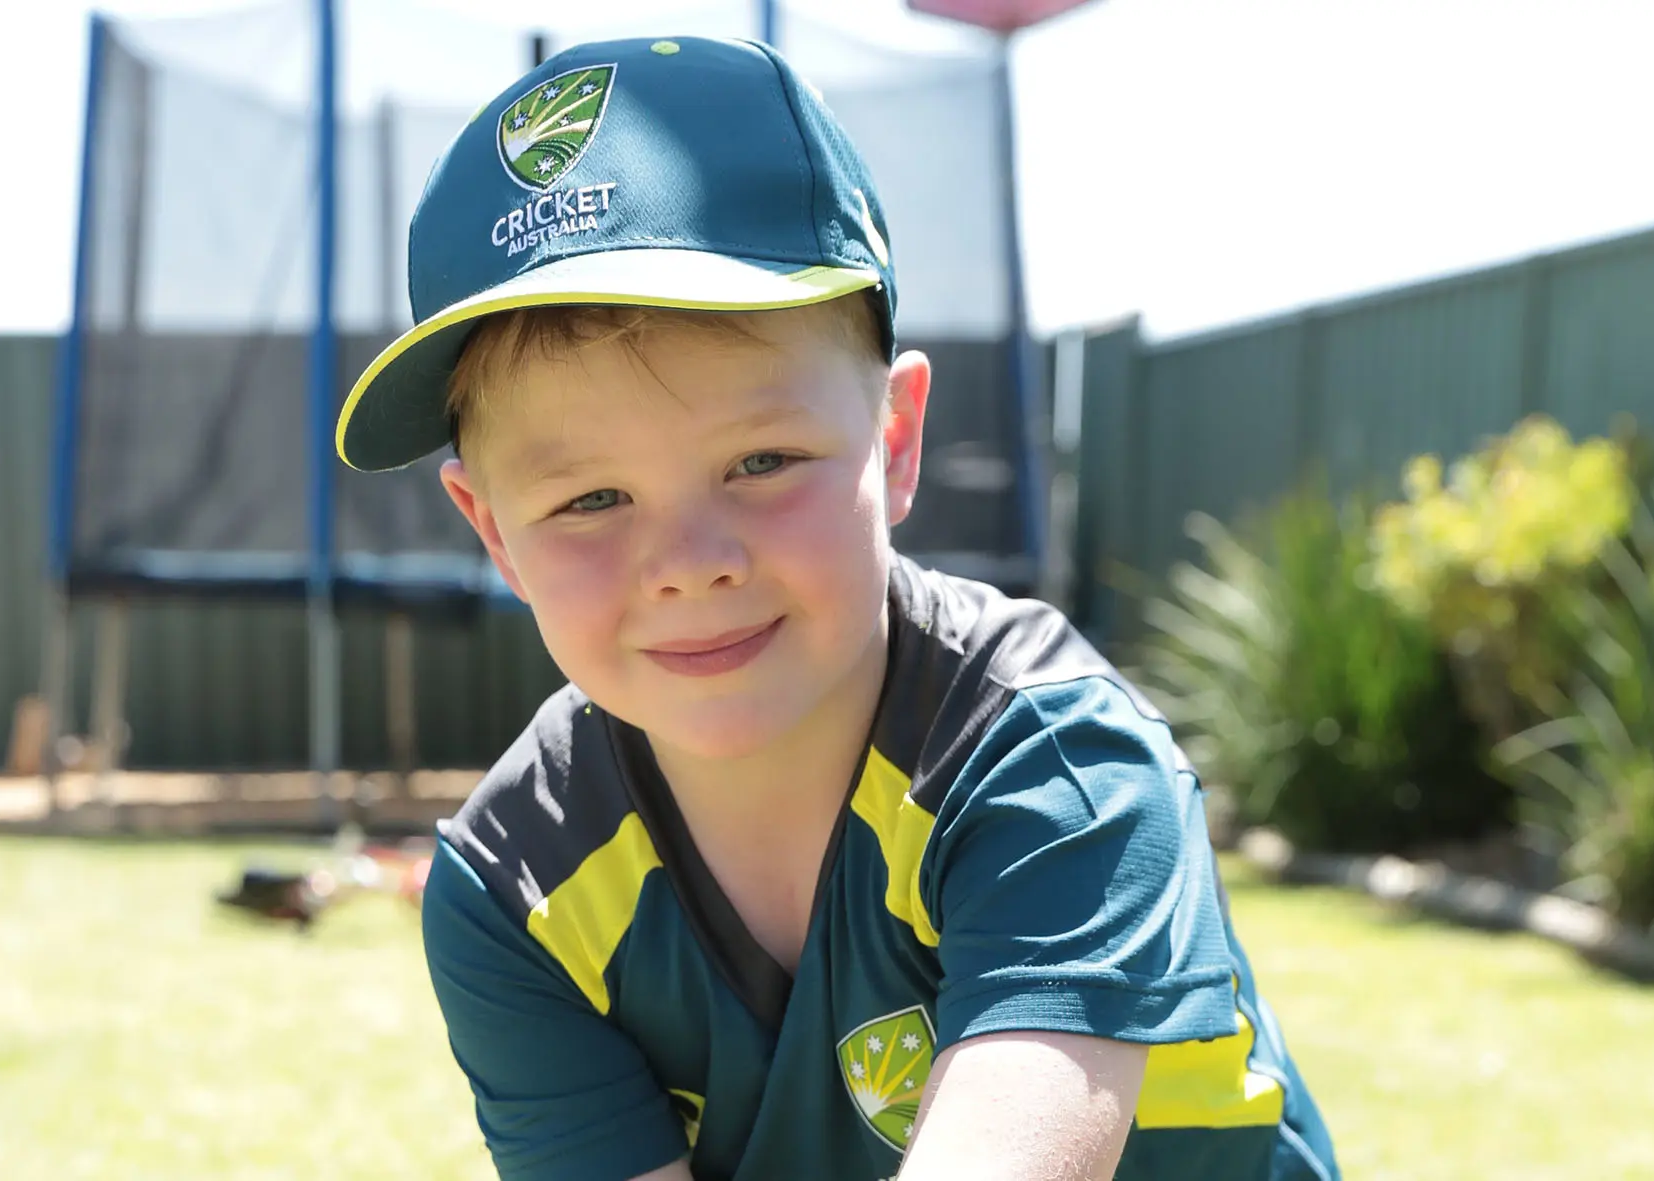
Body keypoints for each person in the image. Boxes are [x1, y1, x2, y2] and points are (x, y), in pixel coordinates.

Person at [335, 33, 1337, 1181]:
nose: (687, 562)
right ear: (491, 530)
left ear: (894, 440)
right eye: (591, 497)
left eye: (762, 460)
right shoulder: (516, 887)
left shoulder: (1049, 759)